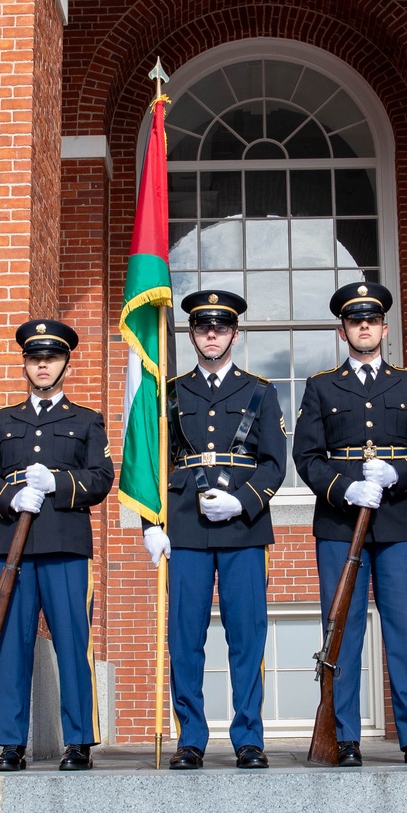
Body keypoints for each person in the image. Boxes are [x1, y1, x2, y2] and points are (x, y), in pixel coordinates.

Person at [293, 282, 407, 767]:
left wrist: (399, 473)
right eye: (355, 321)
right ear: (343, 331)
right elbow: (307, 457)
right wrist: (346, 487)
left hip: (399, 522)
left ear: (383, 328)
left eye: (372, 320)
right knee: (343, 630)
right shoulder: (320, 386)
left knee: (405, 630)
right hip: (341, 523)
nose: (364, 327)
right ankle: (343, 735)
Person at [140, 289, 287, 770]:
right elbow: (152, 461)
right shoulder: (171, 391)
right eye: (203, 327)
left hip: (244, 527)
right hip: (184, 525)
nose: (211, 334)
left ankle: (248, 737)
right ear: (191, 333)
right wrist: (150, 523)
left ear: (234, 335)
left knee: (247, 635)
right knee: (185, 636)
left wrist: (242, 502)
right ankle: (191, 739)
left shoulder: (260, 391)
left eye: (220, 327)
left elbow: (273, 464)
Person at [0, 319, 114, 771]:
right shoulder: (3, 421)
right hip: (12, 547)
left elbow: (100, 478)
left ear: (65, 363)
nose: (42, 366)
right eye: (35, 359)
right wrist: (10, 496)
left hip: (65, 546)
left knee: (73, 642)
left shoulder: (86, 420)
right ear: (25, 365)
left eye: (51, 358)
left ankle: (78, 742)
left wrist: (57, 482)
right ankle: (11, 742)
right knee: (11, 643)